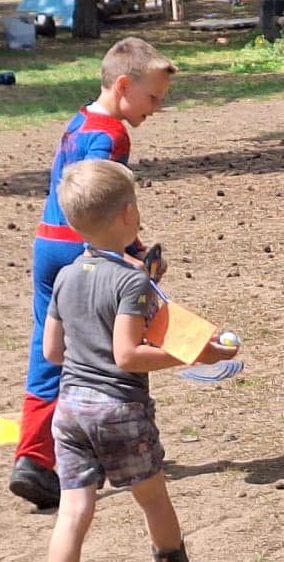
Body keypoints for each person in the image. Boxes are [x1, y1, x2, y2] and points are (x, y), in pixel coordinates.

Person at [38, 160, 228, 562]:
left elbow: (53, 352)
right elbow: (127, 355)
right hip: (118, 409)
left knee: (74, 508)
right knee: (153, 498)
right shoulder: (131, 283)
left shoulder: (65, 276)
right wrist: (195, 352)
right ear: (128, 214)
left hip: (70, 409)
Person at [10, 37, 176, 513]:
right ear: (124, 86)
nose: (155, 109)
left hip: (48, 244)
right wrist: (134, 254)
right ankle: (101, 443)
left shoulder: (78, 120)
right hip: (81, 250)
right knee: (103, 352)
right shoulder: (112, 136)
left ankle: (33, 456)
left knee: (47, 349)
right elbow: (106, 204)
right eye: (151, 98)